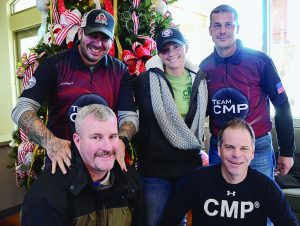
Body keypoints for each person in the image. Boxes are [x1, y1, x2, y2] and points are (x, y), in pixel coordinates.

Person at [11, 9, 138, 174]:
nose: (98, 44)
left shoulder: (120, 70)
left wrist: (121, 140)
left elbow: (129, 116)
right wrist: (51, 142)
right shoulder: (54, 65)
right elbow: (21, 109)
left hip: (103, 162)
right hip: (62, 161)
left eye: (105, 38)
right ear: (80, 33)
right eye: (93, 35)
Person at [200, 4, 295, 178]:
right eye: (217, 25)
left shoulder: (260, 61)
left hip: (257, 147)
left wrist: (287, 151)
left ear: (237, 28)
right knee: (220, 201)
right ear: (210, 30)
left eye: (228, 24)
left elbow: (281, 104)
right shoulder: (204, 68)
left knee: (262, 202)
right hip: (220, 147)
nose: (223, 30)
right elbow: (201, 111)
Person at [160, 118, 300, 226]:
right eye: (229, 147)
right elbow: (168, 221)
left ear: (252, 153)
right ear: (219, 150)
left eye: (244, 148)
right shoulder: (196, 180)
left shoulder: (266, 188)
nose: (236, 154)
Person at [21, 104, 144, 226]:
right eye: (96, 137)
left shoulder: (130, 179)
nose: (107, 147)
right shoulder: (46, 196)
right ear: (78, 141)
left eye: (113, 136)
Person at [133, 27, 208, 226]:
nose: (172, 53)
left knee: (180, 221)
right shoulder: (144, 81)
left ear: (185, 47)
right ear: (159, 54)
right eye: (165, 49)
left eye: (176, 46)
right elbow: (135, 119)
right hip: (156, 168)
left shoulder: (200, 80)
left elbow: (199, 120)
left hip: (188, 164)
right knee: (154, 222)